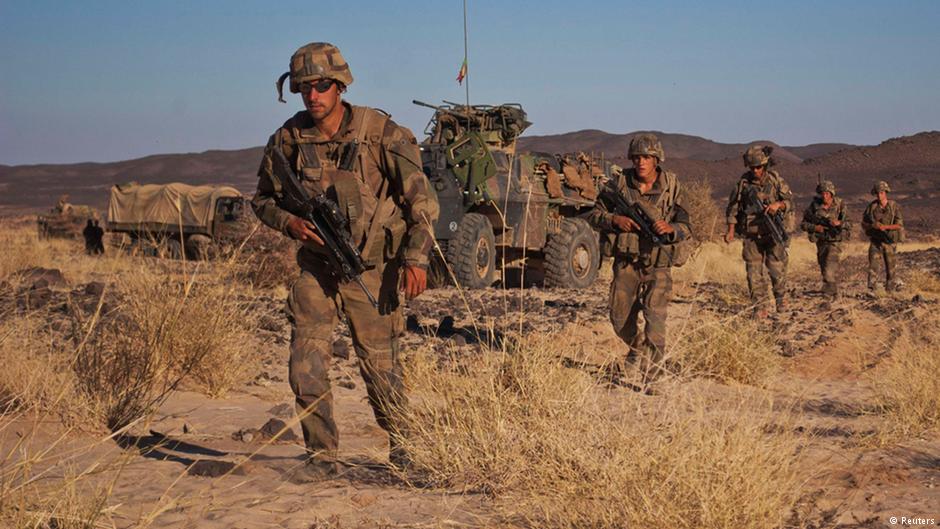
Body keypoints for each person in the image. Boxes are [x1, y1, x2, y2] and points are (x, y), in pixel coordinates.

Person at [251, 42, 439, 481]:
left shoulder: (381, 133)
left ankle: (406, 448)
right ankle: (321, 457)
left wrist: (416, 257)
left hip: (372, 267)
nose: (312, 95)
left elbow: (423, 202)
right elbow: (262, 199)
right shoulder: (287, 140)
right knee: (305, 363)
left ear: (340, 85)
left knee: (381, 367)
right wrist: (290, 224)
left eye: (321, 86)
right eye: (304, 88)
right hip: (318, 268)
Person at [588, 133, 692, 385]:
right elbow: (593, 214)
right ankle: (636, 348)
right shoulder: (619, 184)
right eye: (636, 157)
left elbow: (687, 225)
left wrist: (671, 229)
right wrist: (615, 220)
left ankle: (654, 376)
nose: (641, 162)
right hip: (626, 264)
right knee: (619, 319)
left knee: (656, 319)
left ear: (656, 159)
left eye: (646, 157)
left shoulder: (672, 186)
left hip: (658, 264)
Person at [724, 145, 793, 316]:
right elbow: (732, 209)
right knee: (753, 272)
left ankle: (780, 299)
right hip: (751, 234)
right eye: (752, 167)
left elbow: (790, 202)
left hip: (773, 232)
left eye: (759, 167)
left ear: (765, 165)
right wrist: (731, 230)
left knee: (776, 269)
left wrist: (779, 205)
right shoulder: (742, 184)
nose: (755, 170)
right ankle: (760, 307)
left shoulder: (776, 181)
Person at [800, 180, 849, 298]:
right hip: (821, 241)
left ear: (832, 194)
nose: (824, 196)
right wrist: (815, 227)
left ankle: (831, 292)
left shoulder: (840, 204)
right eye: (822, 193)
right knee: (823, 266)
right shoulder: (814, 206)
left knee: (830, 266)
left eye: (827, 193)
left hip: (835, 241)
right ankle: (831, 289)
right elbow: (803, 224)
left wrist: (839, 223)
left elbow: (849, 223)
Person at [861, 180, 904, 294]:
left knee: (890, 268)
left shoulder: (894, 206)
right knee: (873, 265)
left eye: (881, 193)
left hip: (889, 241)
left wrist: (885, 227)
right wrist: (872, 225)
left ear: (886, 193)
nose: (879, 195)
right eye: (877, 193)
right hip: (876, 241)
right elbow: (863, 223)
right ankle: (872, 290)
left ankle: (890, 291)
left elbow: (899, 225)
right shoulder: (872, 207)